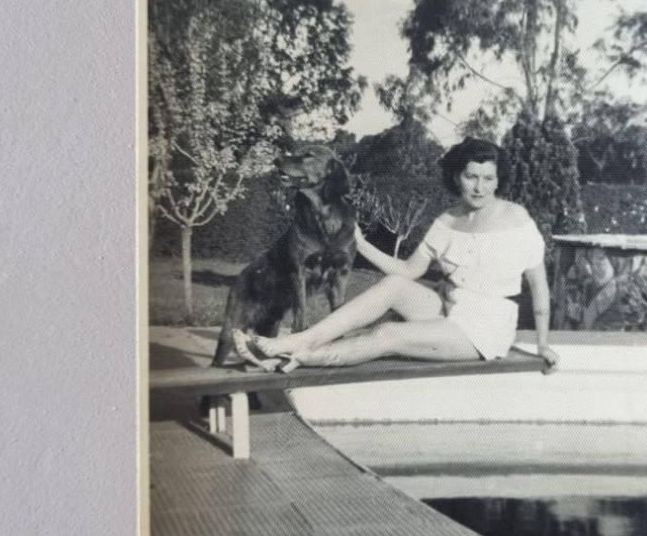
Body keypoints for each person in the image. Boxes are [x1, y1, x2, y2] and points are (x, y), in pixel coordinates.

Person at [233, 137, 560, 373]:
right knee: (393, 285)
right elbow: (407, 270)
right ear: (457, 177)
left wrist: (543, 344)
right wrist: (359, 243)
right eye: (471, 176)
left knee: (387, 335)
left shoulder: (515, 218)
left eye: (488, 178)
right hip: (448, 310)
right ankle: (299, 341)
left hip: (484, 329)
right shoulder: (446, 222)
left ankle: (294, 355)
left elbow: (539, 286)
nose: (480, 187)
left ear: (497, 180)